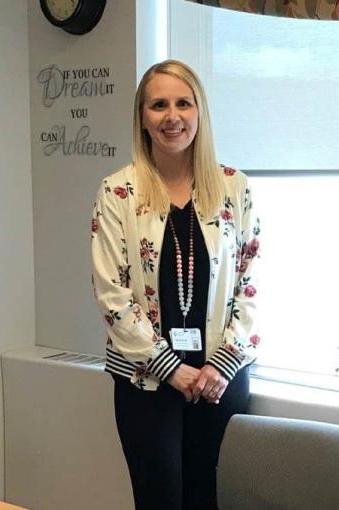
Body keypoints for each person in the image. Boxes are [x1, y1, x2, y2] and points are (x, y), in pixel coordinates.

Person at [91, 59, 262, 510]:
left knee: (212, 500)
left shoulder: (234, 188)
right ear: (142, 118)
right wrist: (170, 367)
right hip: (146, 382)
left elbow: (252, 284)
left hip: (219, 381)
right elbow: (113, 296)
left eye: (183, 103)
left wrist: (222, 363)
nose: (172, 116)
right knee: (160, 500)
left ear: (199, 111)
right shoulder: (118, 193)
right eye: (159, 105)